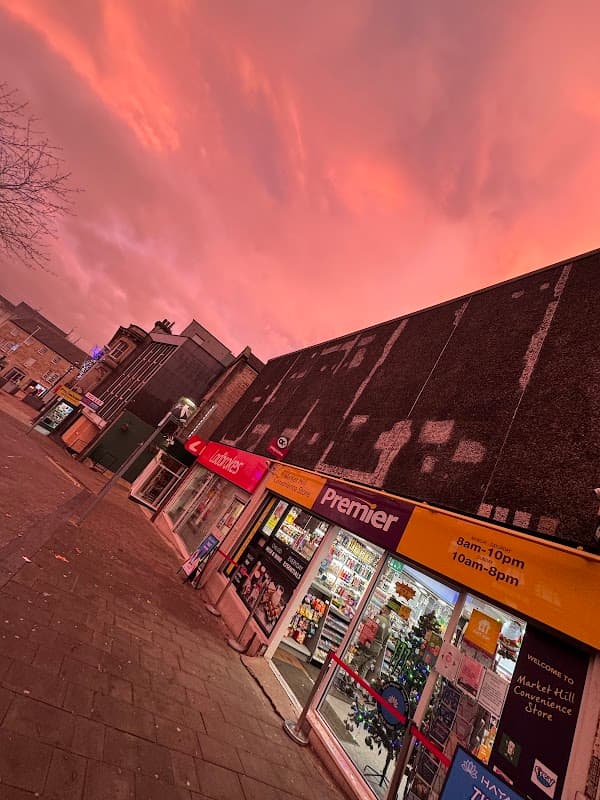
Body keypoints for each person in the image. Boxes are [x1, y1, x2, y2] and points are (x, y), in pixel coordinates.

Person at [352, 605, 392, 681]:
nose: (381, 609)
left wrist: (361, 642)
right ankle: (354, 687)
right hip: (377, 650)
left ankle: (346, 680)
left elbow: (369, 630)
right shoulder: (390, 627)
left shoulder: (378, 618)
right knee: (364, 668)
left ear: (385, 611)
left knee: (355, 662)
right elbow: (385, 643)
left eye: (382, 608)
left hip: (370, 645)